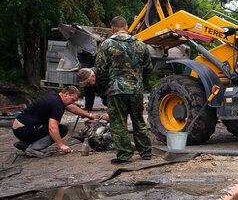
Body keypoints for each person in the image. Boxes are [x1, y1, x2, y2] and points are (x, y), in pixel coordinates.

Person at [94, 16, 153, 164]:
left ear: (112, 28)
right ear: (127, 27)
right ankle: (145, 152)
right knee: (139, 121)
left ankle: (125, 155)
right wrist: (141, 83)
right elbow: (148, 68)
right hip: (136, 89)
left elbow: (100, 69)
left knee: (118, 123)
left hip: (116, 90)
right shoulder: (140, 45)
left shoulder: (107, 44)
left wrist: (102, 87)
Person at [12, 86, 101, 158]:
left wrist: (89, 115)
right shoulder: (57, 105)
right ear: (66, 94)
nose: (73, 102)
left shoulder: (54, 97)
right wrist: (61, 145)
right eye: (72, 100)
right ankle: (33, 150)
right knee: (61, 129)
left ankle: (23, 143)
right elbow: (52, 127)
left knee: (46, 127)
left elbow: (71, 107)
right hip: (24, 130)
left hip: (19, 128)